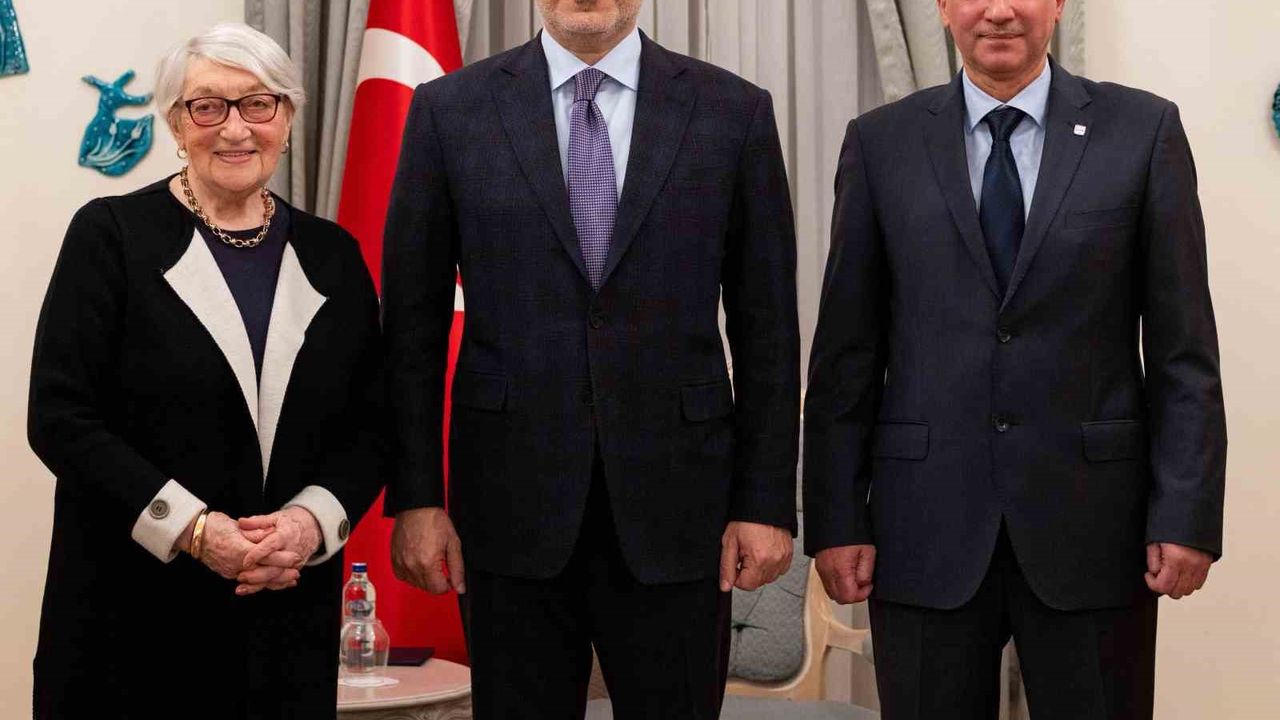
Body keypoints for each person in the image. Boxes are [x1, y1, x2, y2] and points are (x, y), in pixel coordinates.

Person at [803, 1, 1226, 718]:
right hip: (923, 529)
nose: (998, 11)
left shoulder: (1143, 130)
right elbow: (845, 354)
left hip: (1095, 529)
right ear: (944, 8)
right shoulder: (880, 143)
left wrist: (1186, 512)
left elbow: (1184, 353)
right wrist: (837, 518)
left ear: (1057, 5)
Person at [381, 0, 800, 716]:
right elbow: (410, 330)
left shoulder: (733, 111)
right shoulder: (449, 111)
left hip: (681, 512)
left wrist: (764, 503)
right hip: (507, 508)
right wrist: (418, 498)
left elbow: (769, 331)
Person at [28, 22, 384, 720]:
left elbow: (371, 424)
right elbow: (60, 419)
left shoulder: (335, 254)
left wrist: (310, 524)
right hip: (129, 619)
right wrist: (194, 529)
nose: (235, 128)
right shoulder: (110, 235)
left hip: (284, 617)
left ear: (288, 118)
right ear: (175, 123)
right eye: (208, 106)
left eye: (259, 103)